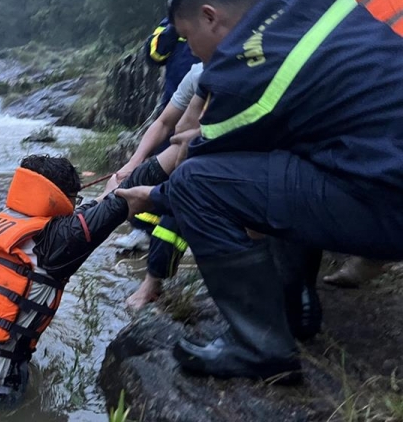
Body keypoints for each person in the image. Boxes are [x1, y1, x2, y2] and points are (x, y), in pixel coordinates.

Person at [117, 0, 403, 381]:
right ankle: (296, 307)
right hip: (378, 164)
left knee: (196, 183)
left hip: (386, 202)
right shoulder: (305, 7)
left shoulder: (244, 73)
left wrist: (149, 196)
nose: (192, 51)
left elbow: (197, 174)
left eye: (188, 38)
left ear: (209, 15)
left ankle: (260, 348)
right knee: (278, 160)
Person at [0, 155, 156, 401]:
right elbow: (113, 206)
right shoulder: (60, 241)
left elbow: (79, 221)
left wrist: (104, 196)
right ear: (64, 201)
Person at [110, 63, 205, 309]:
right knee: (169, 212)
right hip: (189, 158)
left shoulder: (246, 64)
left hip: (234, 160)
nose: (191, 48)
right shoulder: (197, 71)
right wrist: (133, 162)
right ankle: (152, 283)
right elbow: (166, 123)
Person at [112, 20, 201, 251]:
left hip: (211, 104)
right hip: (175, 103)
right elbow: (155, 55)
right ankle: (143, 231)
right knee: (160, 169)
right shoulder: (172, 22)